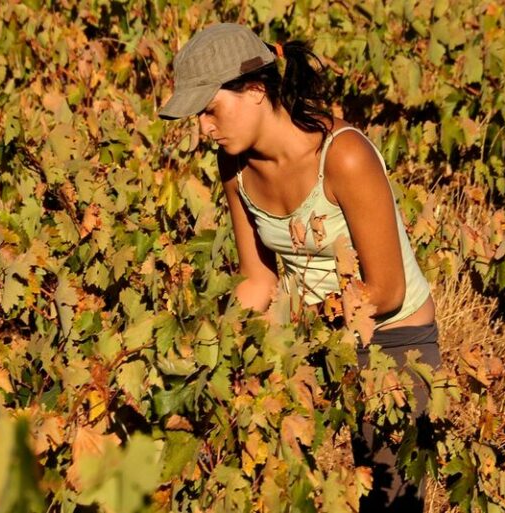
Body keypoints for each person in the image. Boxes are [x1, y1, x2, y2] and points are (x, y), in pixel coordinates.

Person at [158, 23, 440, 512]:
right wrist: (215, 341)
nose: (204, 129)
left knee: (389, 502)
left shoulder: (344, 156)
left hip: (394, 346)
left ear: (255, 91)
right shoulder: (235, 167)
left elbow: (387, 291)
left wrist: (295, 334)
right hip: (312, 341)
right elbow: (258, 278)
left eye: (210, 110)